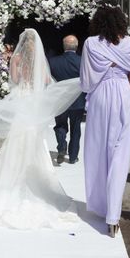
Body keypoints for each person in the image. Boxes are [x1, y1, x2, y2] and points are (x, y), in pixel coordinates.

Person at [0, 28, 82, 230]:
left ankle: (13, 173)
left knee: (17, 138)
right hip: (33, 103)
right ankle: (34, 174)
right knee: (34, 140)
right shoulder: (40, 59)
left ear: (21, 42)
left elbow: (15, 80)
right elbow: (46, 81)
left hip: (22, 101)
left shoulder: (17, 58)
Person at [81, 0, 130, 237]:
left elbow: (86, 81)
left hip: (100, 97)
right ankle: (113, 216)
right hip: (124, 96)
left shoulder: (90, 43)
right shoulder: (128, 43)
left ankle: (102, 205)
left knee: (98, 153)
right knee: (120, 155)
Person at [49, 35, 85, 164]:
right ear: (77, 46)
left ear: (64, 46)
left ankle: (61, 147)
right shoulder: (83, 61)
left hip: (60, 100)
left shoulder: (53, 62)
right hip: (78, 100)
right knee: (76, 129)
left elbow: (48, 81)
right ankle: (73, 156)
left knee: (60, 126)